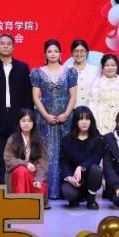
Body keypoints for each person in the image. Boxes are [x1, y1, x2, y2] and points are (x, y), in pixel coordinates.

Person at [0, 34, 33, 187]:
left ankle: (16, 186)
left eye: (9, 44)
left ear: (13, 47)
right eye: (2, 43)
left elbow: (27, 94)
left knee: (18, 154)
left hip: (18, 118)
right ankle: (0, 187)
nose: (6, 46)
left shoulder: (22, 67)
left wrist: (29, 117)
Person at [30, 39, 78, 207]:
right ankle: (47, 190)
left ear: (60, 53)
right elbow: (36, 97)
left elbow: (73, 96)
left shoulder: (70, 72)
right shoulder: (37, 72)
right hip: (45, 117)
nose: (53, 54)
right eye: (49, 51)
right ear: (45, 54)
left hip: (65, 117)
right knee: (47, 151)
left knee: (65, 151)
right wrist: (46, 115)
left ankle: (66, 188)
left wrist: (66, 114)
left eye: (56, 51)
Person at [58, 106, 103, 209]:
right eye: (81, 119)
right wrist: (68, 177)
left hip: (90, 178)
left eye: (87, 119)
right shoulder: (67, 139)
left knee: (96, 170)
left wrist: (81, 167)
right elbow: (63, 161)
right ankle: (75, 198)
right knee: (68, 193)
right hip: (73, 177)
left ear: (91, 121)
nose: (84, 122)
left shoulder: (98, 139)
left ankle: (91, 200)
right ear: (76, 121)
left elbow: (96, 158)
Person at [3, 108, 49, 202]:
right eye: (23, 121)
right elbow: (8, 160)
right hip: (17, 176)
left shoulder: (40, 140)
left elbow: (42, 163)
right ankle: (20, 202)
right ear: (19, 122)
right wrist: (25, 163)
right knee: (22, 170)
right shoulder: (12, 140)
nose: (26, 123)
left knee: (40, 191)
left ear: (33, 123)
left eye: (29, 121)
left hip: (34, 176)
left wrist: (38, 179)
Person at [88, 53, 119, 135]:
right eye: (107, 65)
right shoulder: (98, 83)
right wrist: (93, 121)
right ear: (102, 68)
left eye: (113, 65)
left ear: (117, 67)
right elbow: (92, 104)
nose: (110, 68)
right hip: (101, 119)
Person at [70, 40, 99, 108]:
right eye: (76, 51)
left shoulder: (94, 70)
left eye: (82, 51)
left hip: (90, 110)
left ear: (86, 52)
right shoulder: (67, 70)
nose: (79, 54)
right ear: (72, 52)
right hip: (73, 110)